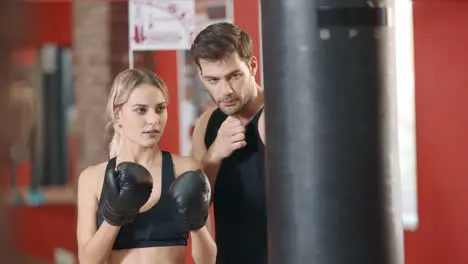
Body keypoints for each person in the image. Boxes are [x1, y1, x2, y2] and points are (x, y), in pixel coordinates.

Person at [76, 68, 216, 264]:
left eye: (160, 108)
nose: (154, 120)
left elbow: (207, 260)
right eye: (141, 110)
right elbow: (88, 261)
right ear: (118, 114)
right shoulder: (92, 178)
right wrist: (114, 217)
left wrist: (197, 224)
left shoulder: (186, 169)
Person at [190, 22, 267, 264]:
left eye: (234, 76)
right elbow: (197, 210)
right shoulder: (206, 124)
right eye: (213, 80)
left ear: (252, 66)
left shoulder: (277, 115)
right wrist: (214, 154)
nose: (226, 90)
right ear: (201, 76)